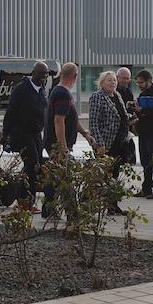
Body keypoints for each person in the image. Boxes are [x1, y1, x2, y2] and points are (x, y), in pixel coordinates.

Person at [42, 62, 97, 218]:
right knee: (65, 178)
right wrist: (63, 148)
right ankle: (72, 214)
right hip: (57, 144)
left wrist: (85, 133)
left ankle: (49, 210)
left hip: (55, 143)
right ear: (75, 77)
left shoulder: (60, 92)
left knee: (55, 179)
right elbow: (59, 122)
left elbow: (70, 119)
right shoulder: (62, 94)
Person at [1, 61, 49, 214]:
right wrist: (5, 134)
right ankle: (24, 202)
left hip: (35, 133)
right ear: (33, 73)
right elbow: (10, 111)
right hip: (21, 132)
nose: (44, 77)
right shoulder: (21, 89)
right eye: (41, 74)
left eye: (46, 74)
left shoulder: (41, 91)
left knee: (37, 165)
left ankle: (27, 200)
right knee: (31, 164)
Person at [87, 71, 129, 215]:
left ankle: (112, 206)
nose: (113, 83)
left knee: (114, 175)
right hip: (105, 143)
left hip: (119, 142)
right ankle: (88, 204)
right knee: (101, 176)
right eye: (109, 80)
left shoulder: (117, 95)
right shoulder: (97, 97)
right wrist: (99, 144)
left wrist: (131, 118)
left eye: (114, 80)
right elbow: (93, 123)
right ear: (102, 82)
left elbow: (121, 116)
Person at [132, 70, 153, 199]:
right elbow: (141, 113)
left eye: (141, 82)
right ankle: (146, 188)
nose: (139, 85)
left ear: (149, 81)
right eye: (138, 83)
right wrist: (135, 110)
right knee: (145, 160)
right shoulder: (143, 94)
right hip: (143, 131)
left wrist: (143, 110)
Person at [115, 67, 138, 166]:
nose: (126, 81)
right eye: (123, 78)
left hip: (126, 129)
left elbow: (129, 110)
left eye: (128, 78)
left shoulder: (128, 92)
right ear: (117, 78)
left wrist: (134, 116)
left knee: (129, 157)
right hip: (115, 130)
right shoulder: (113, 91)